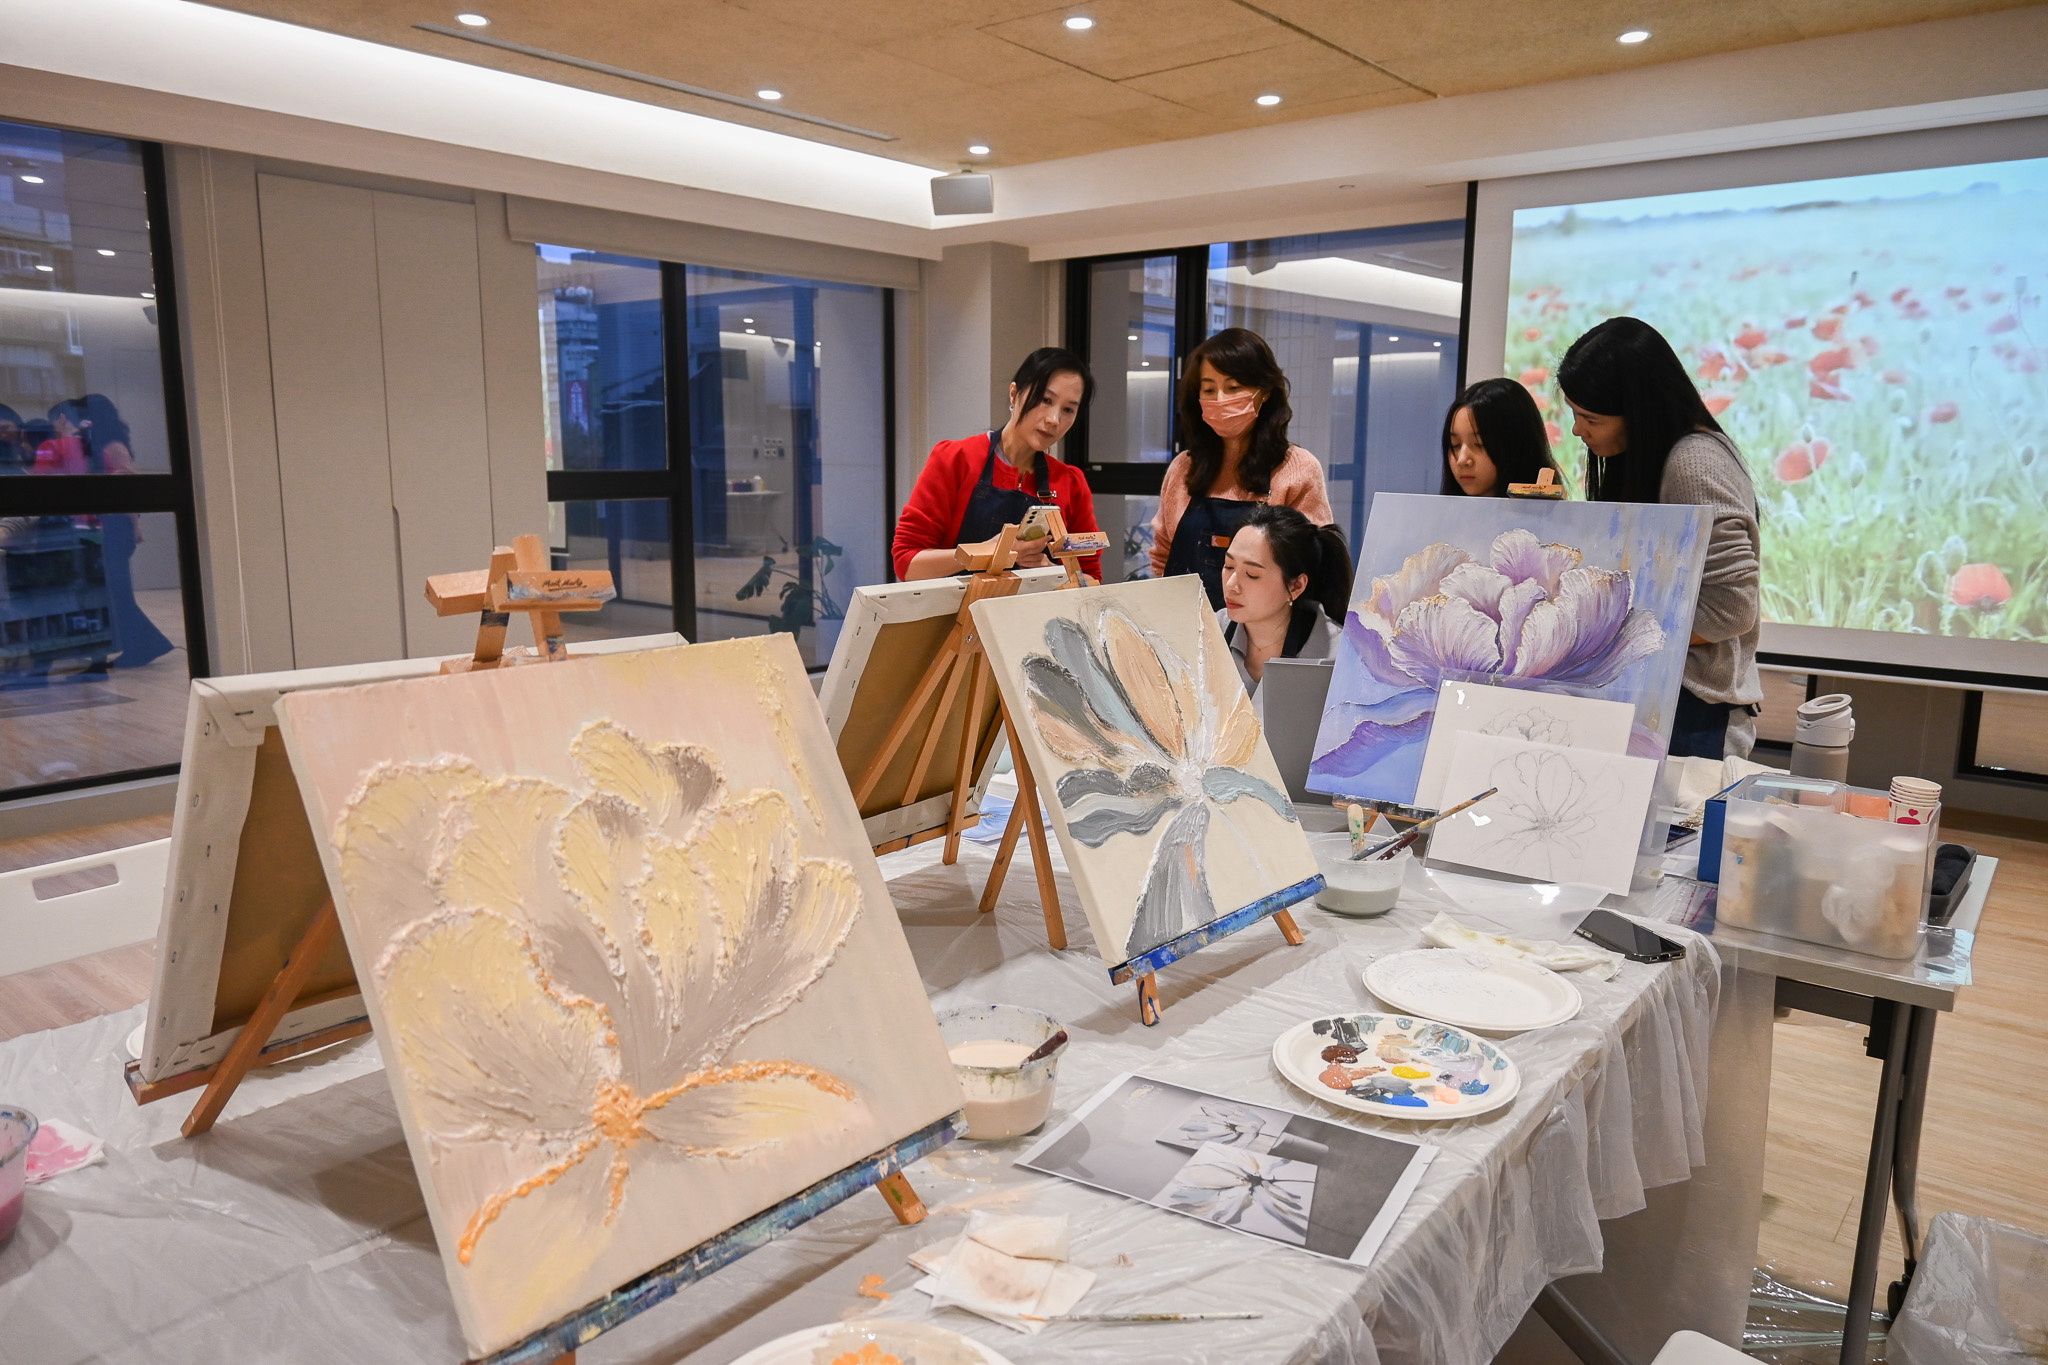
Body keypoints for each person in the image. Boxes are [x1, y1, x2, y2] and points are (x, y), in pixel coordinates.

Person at [1557, 317, 1762, 759]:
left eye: (1590, 418)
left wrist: (1622, 634)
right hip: (1664, 702)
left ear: (1640, 412)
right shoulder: (1659, 457)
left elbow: (1732, 609)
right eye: (1575, 414)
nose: (1578, 430)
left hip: (1693, 714)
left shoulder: (1693, 463)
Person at [1150, 328, 1332, 606]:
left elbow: (1314, 568)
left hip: (1264, 630)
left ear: (1265, 391)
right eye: (1209, 390)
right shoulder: (1183, 468)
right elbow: (1163, 555)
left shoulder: (1297, 469)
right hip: (1182, 621)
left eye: (1233, 387)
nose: (1220, 400)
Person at [892, 348, 1101, 581]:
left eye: (1068, 409)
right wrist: (989, 551)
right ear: (1014, 394)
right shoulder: (956, 459)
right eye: (1045, 400)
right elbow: (907, 563)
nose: (1054, 419)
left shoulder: (1071, 483)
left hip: (1031, 607)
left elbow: (1091, 578)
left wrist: (1050, 573)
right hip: (954, 606)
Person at [49, 395, 176, 671]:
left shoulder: (112, 446)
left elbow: (127, 489)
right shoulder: (98, 444)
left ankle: (145, 645)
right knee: (115, 592)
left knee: (117, 593)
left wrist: (135, 526)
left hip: (116, 527)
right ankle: (145, 644)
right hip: (112, 526)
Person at [1218, 504, 1351, 712]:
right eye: (1228, 566)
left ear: (1296, 586)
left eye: (1252, 574)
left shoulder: (1341, 656)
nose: (1231, 584)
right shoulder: (1206, 631)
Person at [1440, 377, 1563, 497]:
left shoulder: (1544, 511)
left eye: (1479, 443)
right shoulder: (1440, 510)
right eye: (1455, 444)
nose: (1461, 460)